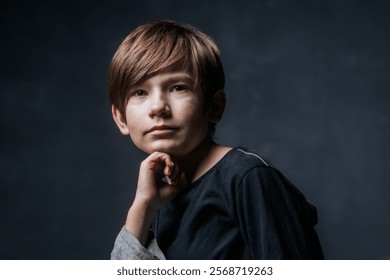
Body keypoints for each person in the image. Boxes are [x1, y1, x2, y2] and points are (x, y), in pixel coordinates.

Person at [108, 20, 323, 260]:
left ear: (214, 106)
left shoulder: (247, 179)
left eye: (178, 87)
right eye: (140, 92)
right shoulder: (159, 196)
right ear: (121, 118)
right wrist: (143, 207)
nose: (158, 107)